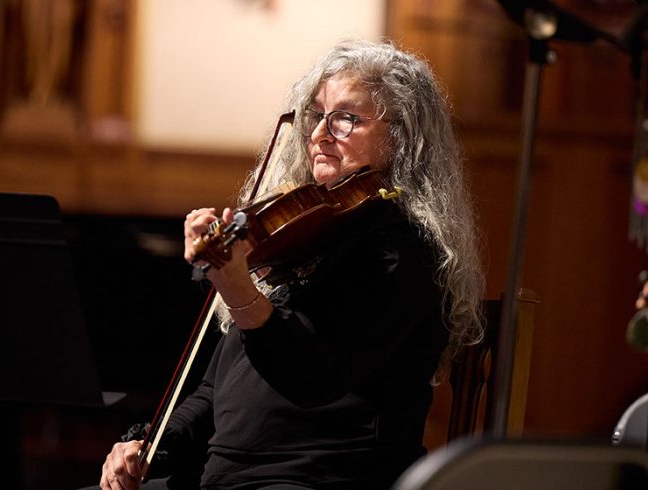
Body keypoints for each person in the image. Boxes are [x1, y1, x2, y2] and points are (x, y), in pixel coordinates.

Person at [95, 39, 485, 490]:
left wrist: (241, 292)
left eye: (346, 118)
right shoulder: (301, 239)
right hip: (223, 477)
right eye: (316, 116)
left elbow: (314, 380)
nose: (320, 134)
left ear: (404, 136)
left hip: (319, 478)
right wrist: (151, 446)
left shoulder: (403, 251)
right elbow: (216, 392)